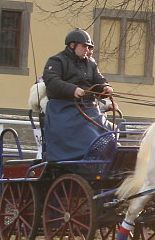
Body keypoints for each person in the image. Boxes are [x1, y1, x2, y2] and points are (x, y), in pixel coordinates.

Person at [40, 28, 115, 161]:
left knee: (107, 134)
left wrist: (105, 87)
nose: (87, 49)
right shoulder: (56, 61)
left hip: (89, 108)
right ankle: (90, 155)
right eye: (84, 46)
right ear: (72, 45)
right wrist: (72, 90)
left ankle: (110, 152)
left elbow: (98, 79)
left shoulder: (90, 63)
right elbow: (52, 81)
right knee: (91, 137)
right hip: (65, 109)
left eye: (88, 46)